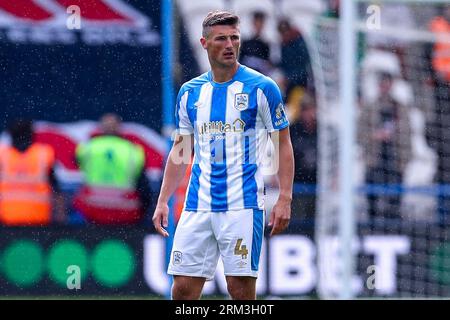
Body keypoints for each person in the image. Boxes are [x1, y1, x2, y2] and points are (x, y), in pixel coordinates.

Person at [152, 11, 294, 300]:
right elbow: (181, 152)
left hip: (242, 206)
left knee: (239, 290)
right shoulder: (190, 93)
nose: (230, 44)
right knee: (182, 289)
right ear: (204, 43)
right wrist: (163, 199)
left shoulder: (262, 88)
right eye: (221, 38)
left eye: (234, 37)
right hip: (197, 204)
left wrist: (285, 197)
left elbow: (282, 143)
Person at [73, 113, 152, 225]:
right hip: (125, 210)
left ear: (101, 127)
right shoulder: (133, 150)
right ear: (119, 128)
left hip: (92, 207)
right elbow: (144, 188)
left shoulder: (87, 147)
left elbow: (76, 163)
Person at [358, 71, 412, 221]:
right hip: (374, 162)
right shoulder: (370, 108)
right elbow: (359, 134)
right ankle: (373, 229)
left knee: (394, 204)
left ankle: (393, 231)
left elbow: (408, 135)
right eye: (382, 83)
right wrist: (374, 136)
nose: (385, 87)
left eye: (387, 83)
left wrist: (405, 159)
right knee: (372, 203)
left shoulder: (400, 108)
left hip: (395, 162)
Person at [0, 119, 65, 226]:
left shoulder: (2, 155)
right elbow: (57, 190)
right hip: (38, 221)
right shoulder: (43, 154)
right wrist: (60, 219)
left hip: (7, 221)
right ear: (32, 134)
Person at [425, 6, 450, 224]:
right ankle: (442, 212)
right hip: (442, 90)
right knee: (443, 150)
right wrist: (432, 76)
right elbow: (425, 52)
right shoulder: (436, 26)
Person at [289, 92, 318, 220]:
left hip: (318, 185)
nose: (310, 113)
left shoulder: (323, 132)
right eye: (306, 110)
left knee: (315, 220)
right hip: (297, 184)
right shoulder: (292, 130)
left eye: (312, 109)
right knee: (297, 220)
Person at [239, 10, 272, 75]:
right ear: (253, 24)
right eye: (257, 23)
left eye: (260, 23)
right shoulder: (246, 43)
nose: (258, 26)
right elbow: (240, 62)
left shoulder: (266, 44)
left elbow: (268, 64)